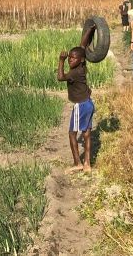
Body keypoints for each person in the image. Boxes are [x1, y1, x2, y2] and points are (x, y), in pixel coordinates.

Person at [57, 25, 96, 173]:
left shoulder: (74, 73)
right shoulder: (82, 66)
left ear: (80, 60)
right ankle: (87, 164)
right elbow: (82, 45)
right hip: (88, 104)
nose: (70, 60)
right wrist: (90, 30)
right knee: (86, 134)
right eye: (69, 58)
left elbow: (60, 77)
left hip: (80, 106)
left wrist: (60, 60)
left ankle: (77, 163)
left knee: (72, 133)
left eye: (73, 58)